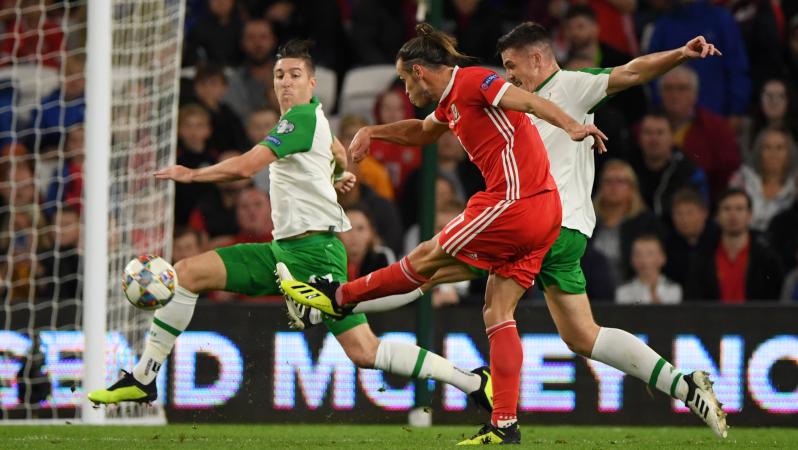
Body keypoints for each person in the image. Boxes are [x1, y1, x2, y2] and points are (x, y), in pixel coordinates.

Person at [284, 22, 728, 440]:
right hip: (556, 227)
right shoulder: (481, 98)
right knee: (578, 335)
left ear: (536, 59)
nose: (509, 75)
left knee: (432, 268)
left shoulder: (569, 87)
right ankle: (683, 384)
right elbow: (423, 130)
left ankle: (334, 300)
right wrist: (374, 131)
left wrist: (679, 55)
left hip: (537, 217)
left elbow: (631, 71)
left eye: (513, 66)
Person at [87, 39, 492, 413]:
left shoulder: (298, 119)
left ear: (312, 83)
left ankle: (472, 381)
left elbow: (246, 167)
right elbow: (335, 150)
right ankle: (144, 377)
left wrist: (191, 175)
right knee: (188, 273)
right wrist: (336, 177)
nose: (286, 82)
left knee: (365, 352)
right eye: (280, 75)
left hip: (315, 252)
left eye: (295, 75)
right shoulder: (312, 119)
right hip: (280, 249)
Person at [659, 65, 741, 200]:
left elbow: (728, 170)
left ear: (695, 94)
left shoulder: (716, 128)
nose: (674, 95)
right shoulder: (647, 126)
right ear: (660, 94)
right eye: (668, 88)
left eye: (682, 88)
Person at [688, 188, 783, 302]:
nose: (733, 215)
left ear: (749, 215)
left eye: (739, 209)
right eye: (727, 209)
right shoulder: (702, 257)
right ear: (717, 216)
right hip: (713, 319)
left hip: (756, 319)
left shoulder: (768, 259)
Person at [631, 112, 708, 222]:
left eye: (660, 133)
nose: (654, 140)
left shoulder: (689, 172)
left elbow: (699, 211)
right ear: (639, 138)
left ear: (672, 138)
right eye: (648, 133)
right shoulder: (627, 168)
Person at [729, 128, 797, 232]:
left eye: (780, 148)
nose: (773, 153)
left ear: (789, 153)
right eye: (767, 147)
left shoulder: (795, 183)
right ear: (759, 152)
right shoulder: (742, 178)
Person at [664, 188, 718, 292]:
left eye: (690, 213)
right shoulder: (667, 244)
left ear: (704, 213)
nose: (684, 219)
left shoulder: (720, 241)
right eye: (678, 213)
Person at [615, 234, 682, 305]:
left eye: (650, 254)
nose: (644, 260)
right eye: (638, 254)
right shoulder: (623, 291)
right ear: (632, 260)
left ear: (662, 258)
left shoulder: (673, 289)